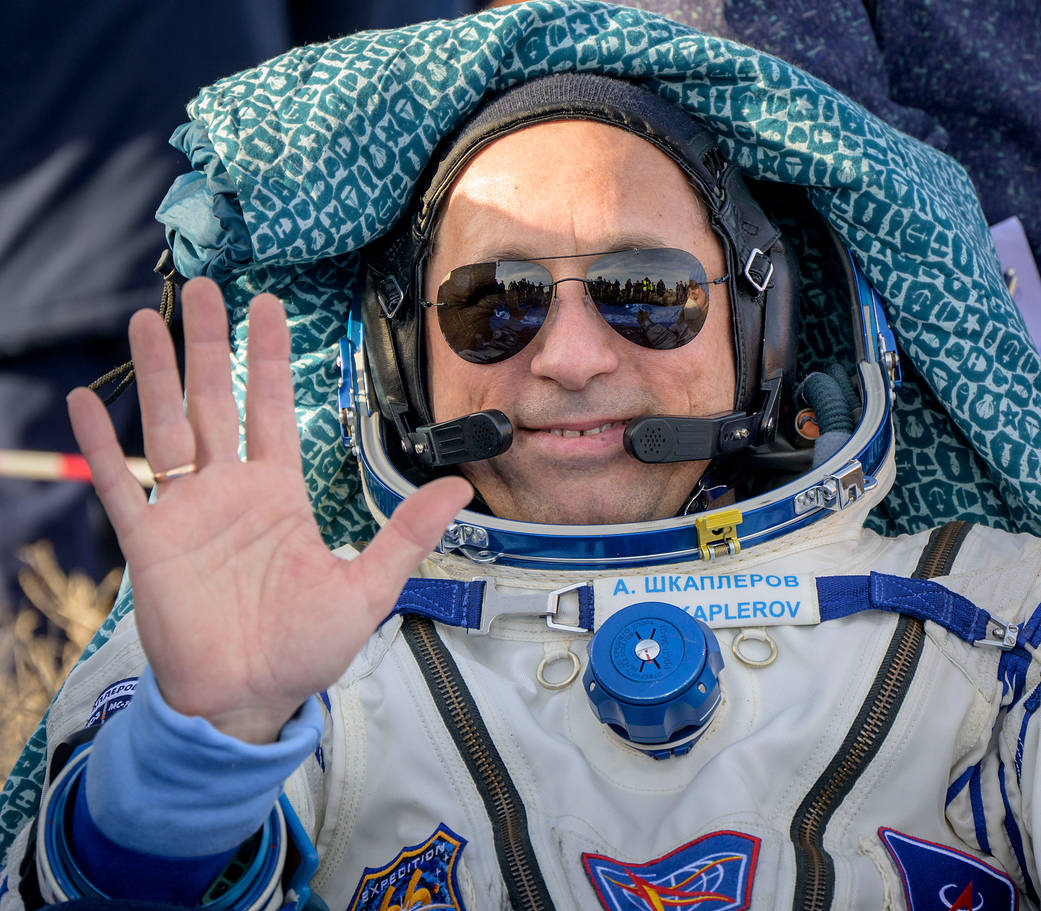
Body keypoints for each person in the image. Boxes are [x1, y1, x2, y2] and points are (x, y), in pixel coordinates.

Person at [2, 6, 1040, 911]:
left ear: (761, 335)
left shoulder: (993, 623)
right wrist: (203, 750)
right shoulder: (295, 646)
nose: (575, 359)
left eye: (650, 293)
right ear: (409, 363)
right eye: (495, 304)